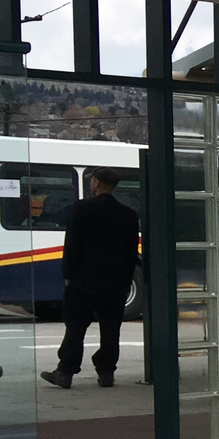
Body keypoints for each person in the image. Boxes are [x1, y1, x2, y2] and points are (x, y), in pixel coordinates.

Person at [42, 167, 140, 390]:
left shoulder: (82, 209)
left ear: (96, 183)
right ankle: (106, 373)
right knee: (110, 329)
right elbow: (130, 253)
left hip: (84, 282)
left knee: (75, 329)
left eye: (92, 180)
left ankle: (65, 372)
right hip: (115, 284)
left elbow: (72, 246)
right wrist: (125, 282)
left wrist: (68, 275)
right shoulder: (128, 215)